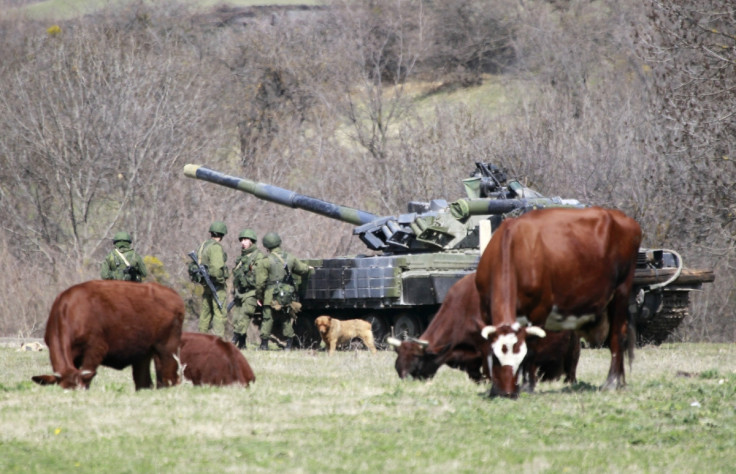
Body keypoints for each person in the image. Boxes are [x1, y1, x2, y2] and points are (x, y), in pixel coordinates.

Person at [258, 232, 312, 350]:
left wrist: (260, 296)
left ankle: (264, 345)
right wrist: (309, 268)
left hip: (270, 295)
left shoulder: (265, 261)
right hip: (286, 295)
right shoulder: (290, 257)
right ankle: (289, 345)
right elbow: (302, 269)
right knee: (286, 319)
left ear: (266, 246)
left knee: (267, 319)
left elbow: (260, 283)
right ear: (279, 242)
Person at [230, 229, 268, 349]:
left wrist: (259, 296)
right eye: (241, 240)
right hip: (240, 293)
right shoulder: (241, 258)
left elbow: (260, 278)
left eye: (246, 240)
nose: (243, 242)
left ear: (252, 241)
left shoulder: (258, 256)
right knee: (236, 319)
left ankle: (233, 342)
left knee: (244, 317)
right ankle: (242, 345)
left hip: (252, 293)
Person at [194, 221, 229, 338]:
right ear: (222, 234)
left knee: (205, 314)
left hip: (206, 285)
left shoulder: (203, 245)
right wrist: (221, 280)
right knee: (219, 313)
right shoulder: (215, 247)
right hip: (216, 286)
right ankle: (219, 342)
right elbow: (216, 269)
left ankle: (200, 339)